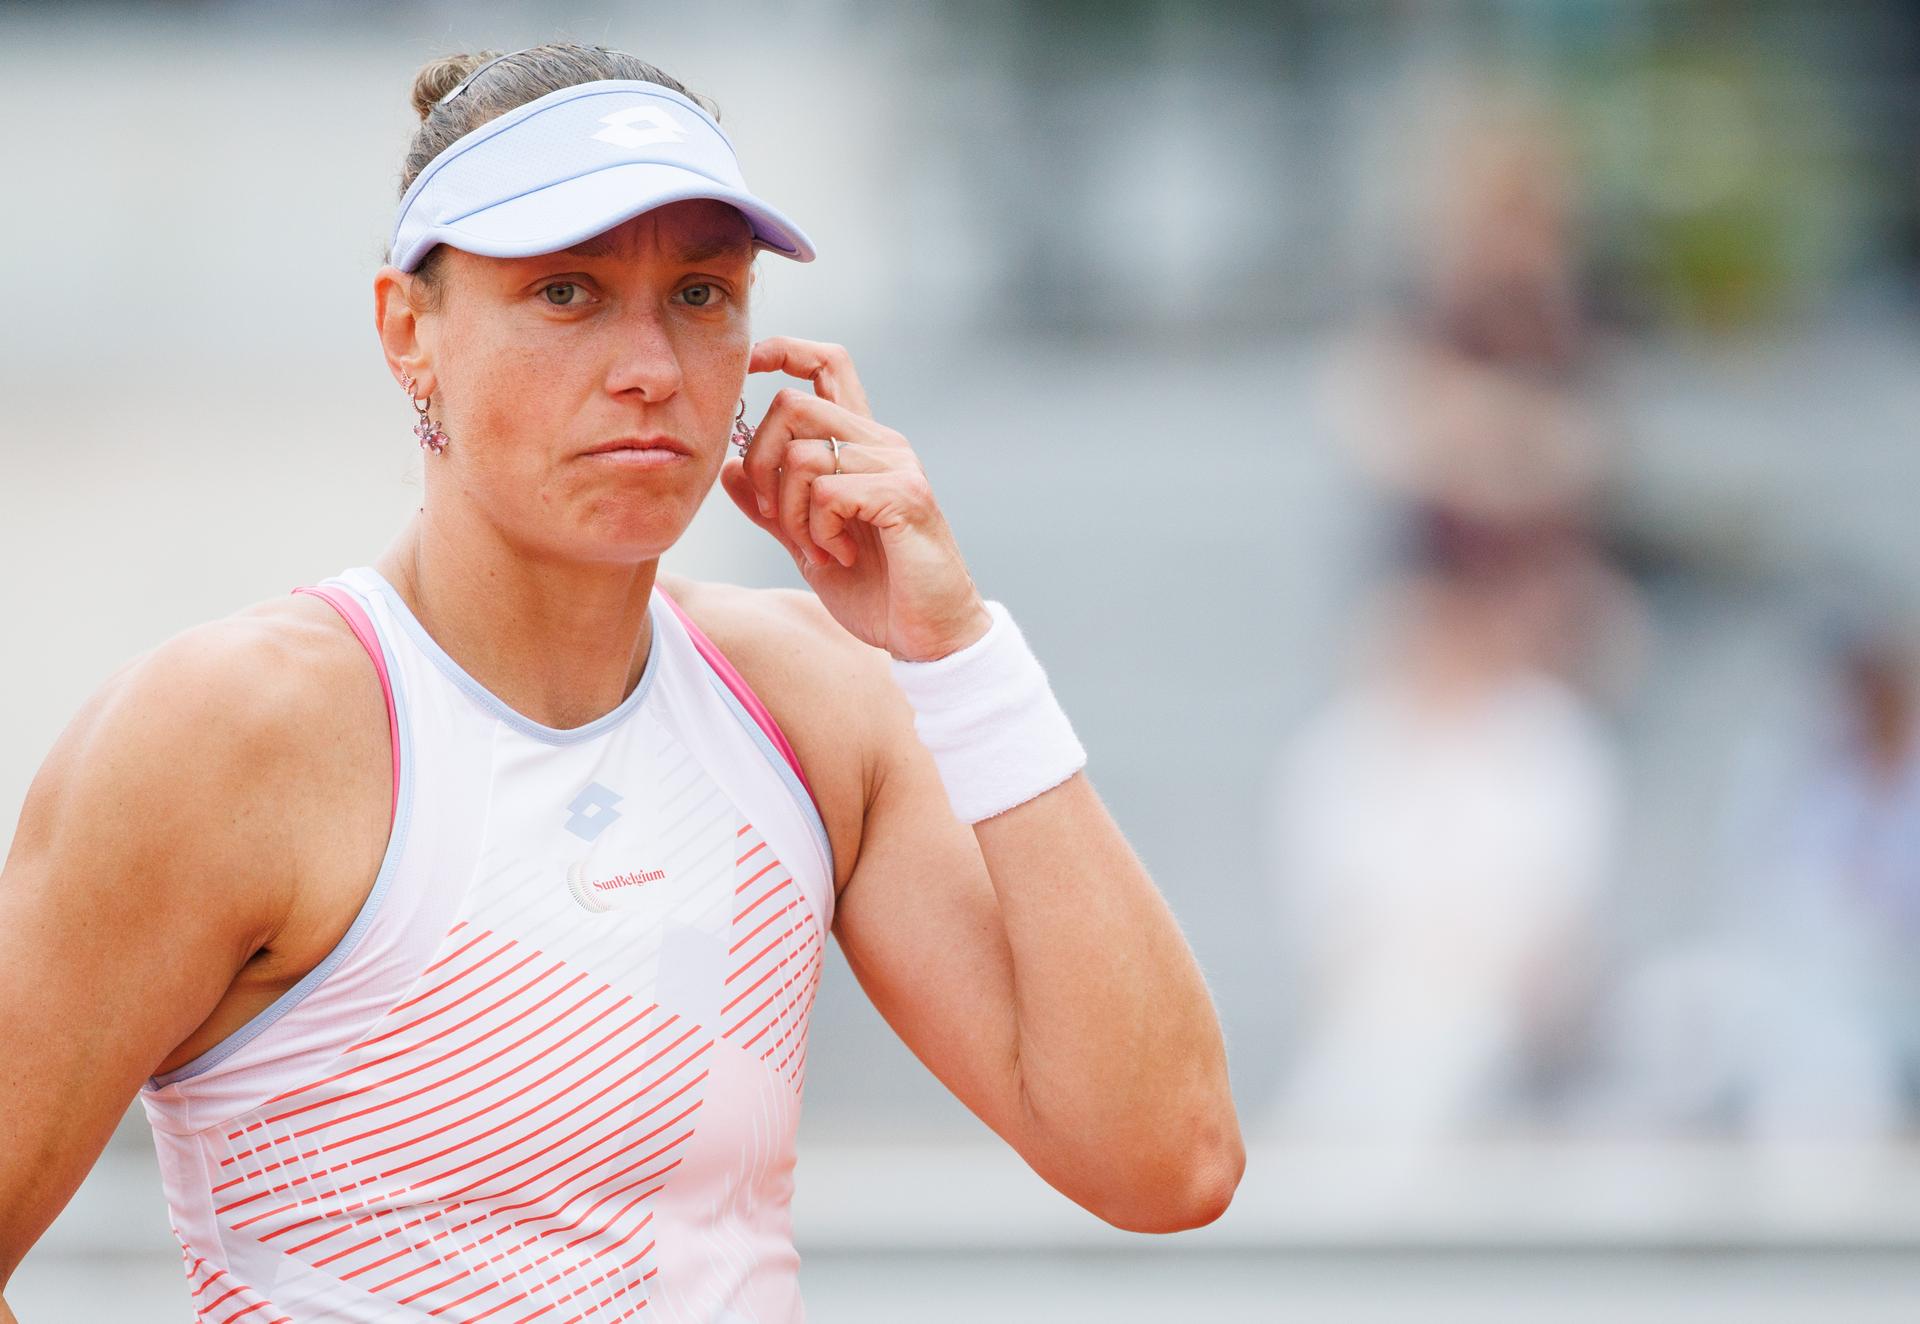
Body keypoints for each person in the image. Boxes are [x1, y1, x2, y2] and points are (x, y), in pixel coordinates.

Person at [0, 44, 1241, 1323]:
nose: (650, 363)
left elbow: (1167, 1160)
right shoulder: (233, 732)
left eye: (701, 293)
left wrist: (960, 653)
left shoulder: (813, 705)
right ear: (406, 330)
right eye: (567, 292)